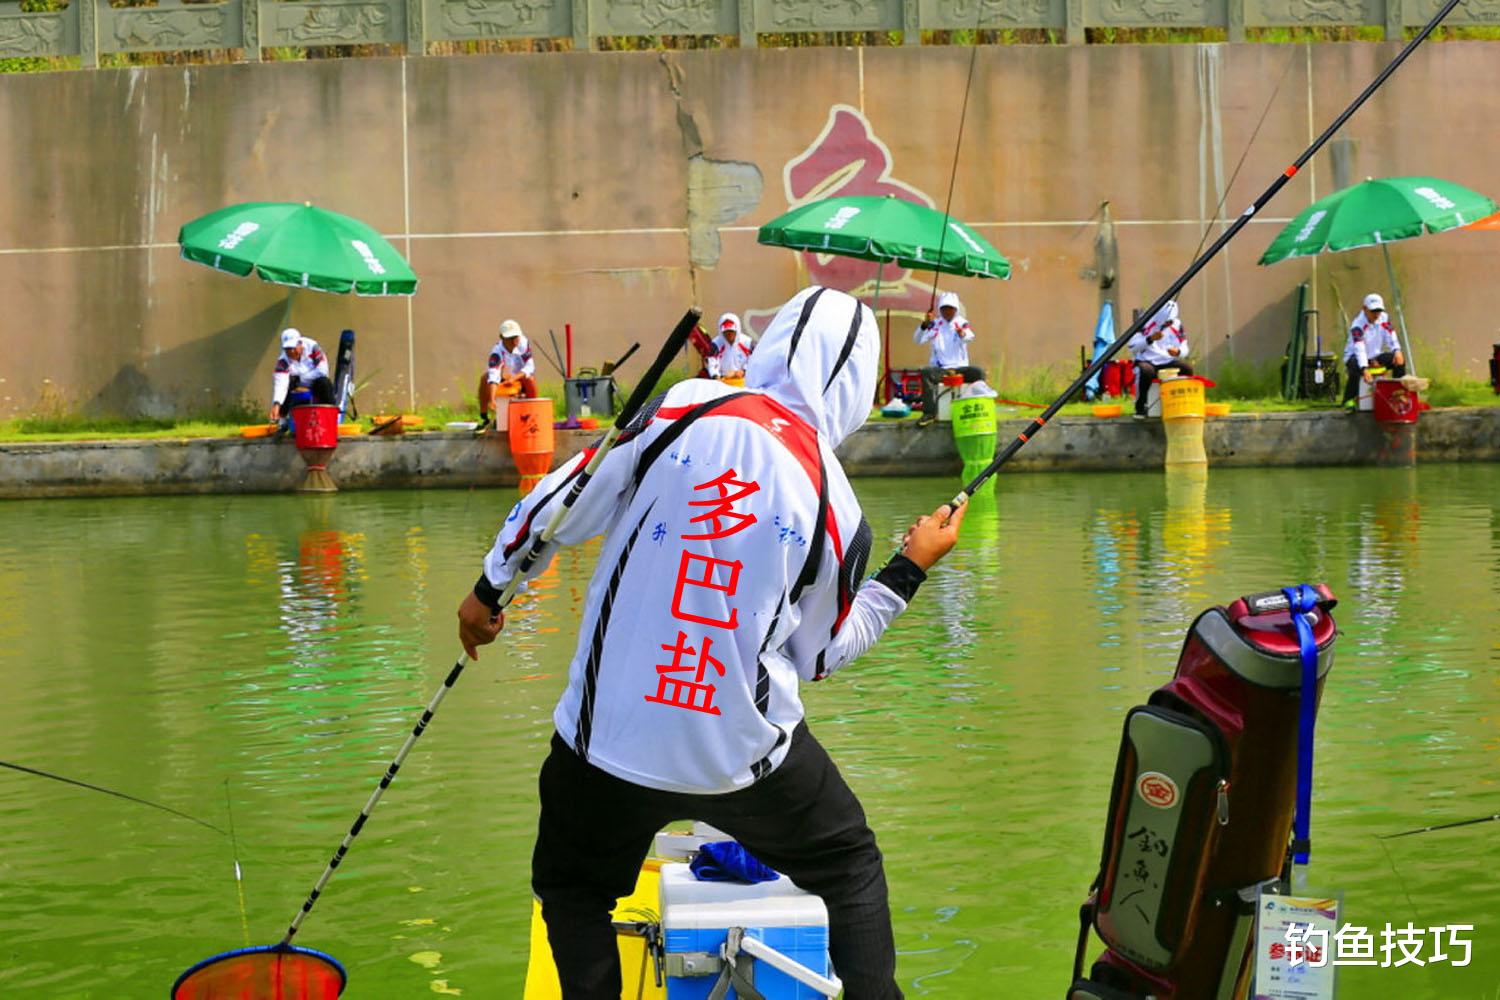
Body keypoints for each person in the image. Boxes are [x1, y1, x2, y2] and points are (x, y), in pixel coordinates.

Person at [456, 286, 966, 1000]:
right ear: (854, 388)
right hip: (741, 758)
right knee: (849, 866)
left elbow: (563, 501)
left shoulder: (683, 404)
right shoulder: (839, 508)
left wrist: (490, 589)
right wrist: (908, 569)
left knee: (574, 892)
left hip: (604, 743)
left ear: (770, 345)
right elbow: (819, 658)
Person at [912, 291, 985, 426]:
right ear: (940, 309)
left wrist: (962, 334)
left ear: (955, 309)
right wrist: (923, 325)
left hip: (960, 368)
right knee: (926, 373)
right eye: (944, 308)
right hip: (942, 369)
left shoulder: (961, 323)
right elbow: (917, 340)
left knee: (978, 372)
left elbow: (969, 337)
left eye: (951, 308)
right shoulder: (934, 325)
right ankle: (929, 413)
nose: (947, 311)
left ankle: (979, 409)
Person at [1127, 300, 1192, 419]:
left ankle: (1180, 404)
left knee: (1186, 369)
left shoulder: (1177, 325)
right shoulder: (1146, 322)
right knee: (1146, 371)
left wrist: (1178, 352)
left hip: (1167, 360)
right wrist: (1150, 339)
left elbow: (1184, 346)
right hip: (1147, 360)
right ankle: (1140, 407)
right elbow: (1132, 346)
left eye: (1170, 322)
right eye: (1166, 322)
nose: (1168, 324)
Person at [1341, 292, 1406, 410]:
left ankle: (1398, 394)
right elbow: (1359, 348)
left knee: (1398, 360)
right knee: (1356, 366)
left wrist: (1397, 350)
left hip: (1375, 355)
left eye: (1379, 310)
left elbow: (1390, 335)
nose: (1376, 314)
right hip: (1354, 356)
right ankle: (1349, 399)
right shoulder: (1358, 325)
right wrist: (1364, 368)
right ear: (1364, 309)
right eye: (1373, 311)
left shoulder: (1384, 317)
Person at [478, 319, 538, 428]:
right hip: (503, 378)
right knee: (484, 377)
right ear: (502, 337)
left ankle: (534, 413)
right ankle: (485, 417)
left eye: (516, 337)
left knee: (531, 379)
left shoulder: (523, 343)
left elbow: (530, 366)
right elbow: (493, 375)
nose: (514, 341)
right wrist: (492, 400)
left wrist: (514, 378)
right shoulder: (497, 352)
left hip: (519, 377)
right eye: (510, 338)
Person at [268, 328, 333, 422]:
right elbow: (280, 383)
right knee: (286, 384)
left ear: (300, 343)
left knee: (325, 382)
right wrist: (276, 404)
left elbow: (322, 370)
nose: (291, 352)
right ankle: (282, 420)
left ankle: (331, 417)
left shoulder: (313, 347)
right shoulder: (283, 360)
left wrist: (301, 378)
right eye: (287, 349)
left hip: (316, 382)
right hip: (297, 384)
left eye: (293, 348)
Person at [706, 312, 753, 380]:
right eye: (726, 332)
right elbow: (712, 364)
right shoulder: (715, 344)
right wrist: (716, 376)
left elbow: (753, 360)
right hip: (724, 380)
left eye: (732, 331)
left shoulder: (747, 342)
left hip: (744, 379)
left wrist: (744, 371)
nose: (729, 334)